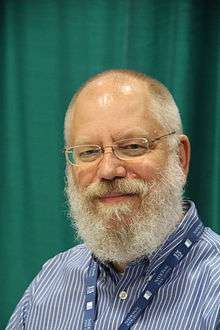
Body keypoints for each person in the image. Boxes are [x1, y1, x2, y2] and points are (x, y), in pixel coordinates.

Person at [6, 70, 220, 329]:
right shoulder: (50, 282)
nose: (108, 170)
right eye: (88, 152)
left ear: (179, 157)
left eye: (132, 146)